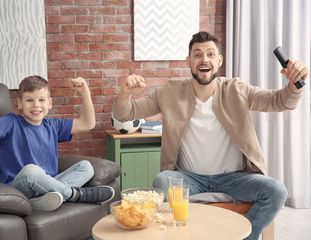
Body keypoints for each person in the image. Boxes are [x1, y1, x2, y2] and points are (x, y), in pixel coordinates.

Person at [112, 31, 308, 239]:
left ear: (219, 61)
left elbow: (279, 101)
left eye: (210, 54)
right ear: (188, 61)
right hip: (188, 178)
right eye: (197, 54)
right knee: (162, 181)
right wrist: (125, 91)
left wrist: (295, 84)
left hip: (233, 179)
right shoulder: (169, 92)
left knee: (277, 191)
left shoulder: (236, 89)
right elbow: (124, 114)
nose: (204, 59)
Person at [0, 74, 115, 211]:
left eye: (41, 100)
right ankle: (75, 194)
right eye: (29, 100)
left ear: (49, 103)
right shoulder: (11, 123)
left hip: (48, 185)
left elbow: (87, 123)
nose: (36, 105)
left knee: (86, 167)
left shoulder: (53, 126)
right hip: (19, 187)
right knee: (32, 170)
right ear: (20, 104)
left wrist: (84, 93)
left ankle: (40, 202)